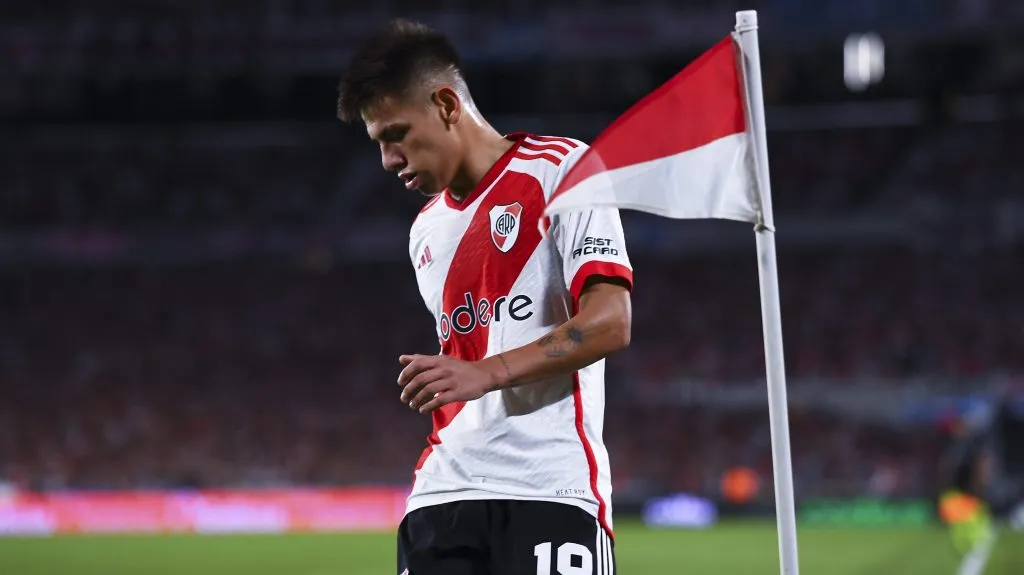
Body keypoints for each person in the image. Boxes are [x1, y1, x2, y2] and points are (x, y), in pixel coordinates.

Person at [337, 19, 633, 575]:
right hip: (443, 494)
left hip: (550, 486)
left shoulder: (563, 170)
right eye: (378, 144)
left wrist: (488, 370)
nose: (387, 161)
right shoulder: (424, 231)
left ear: (447, 104)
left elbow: (610, 321)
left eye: (395, 134)